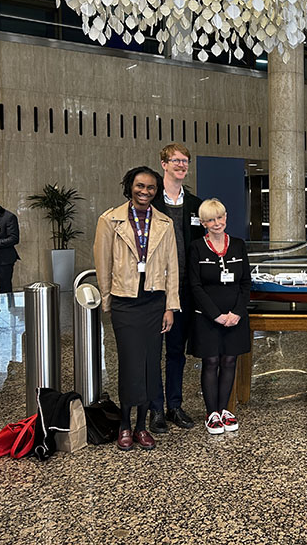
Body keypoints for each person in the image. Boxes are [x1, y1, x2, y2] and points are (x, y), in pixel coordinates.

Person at [94, 167, 180, 451]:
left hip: (154, 302)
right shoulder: (110, 220)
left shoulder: (164, 223)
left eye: (151, 188)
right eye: (140, 186)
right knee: (131, 364)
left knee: (150, 365)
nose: (145, 192)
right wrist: (108, 300)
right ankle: (124, 425)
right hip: (125, 302)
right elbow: (102, 263)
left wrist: (170, 306)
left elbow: (172, 268)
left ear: (157, 191)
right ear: (130, 186)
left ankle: (142, 425)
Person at [148, 143, 203, 434]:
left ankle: (175, 405)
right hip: (155, 289)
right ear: (164, 164)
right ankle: (155, 409)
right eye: (176, 161)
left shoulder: (195, 205)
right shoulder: (150, 202)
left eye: (185, 161)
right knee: (154, 350)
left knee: (176, 352)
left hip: (183, 290)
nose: (181, 165)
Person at [188, 199, 251, 434]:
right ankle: (211, 413)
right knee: (211, 361)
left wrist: (236, 312)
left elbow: (246, 282)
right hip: (207, 317)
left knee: (229, 361)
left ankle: (225, 410)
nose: (217, 223)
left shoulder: (237, 245)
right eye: (211, 219)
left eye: (220, 217)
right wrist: (216, 315)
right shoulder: (196, 247)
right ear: (204, 223)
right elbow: (195, 286)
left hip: (235, 316)